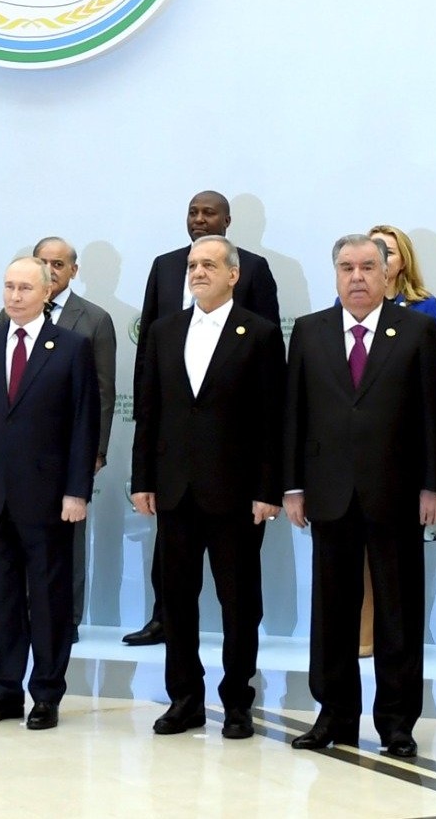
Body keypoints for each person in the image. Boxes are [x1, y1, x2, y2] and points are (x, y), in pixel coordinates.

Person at [282, 234, 436, 758]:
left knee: (398, 612)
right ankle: (334, 715)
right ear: (335, 274)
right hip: (328, 493)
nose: (357, 276)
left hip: (397, 494)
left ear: (385, 274)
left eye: (367, 267)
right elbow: (293, 414)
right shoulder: (310, 330)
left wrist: (433, 486)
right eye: (346, 267)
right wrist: (293, 486)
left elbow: (434, 414)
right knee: (332, 612)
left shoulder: (417, 330)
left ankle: (397, 723)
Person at [129, 236, 283, 740]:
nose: (197, 272)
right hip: (175, 490)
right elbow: (149, 410)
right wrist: (142, 479)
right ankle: (185, 699)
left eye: (209, 265)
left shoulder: (259, 333)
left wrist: (268, 489)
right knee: (176, 600)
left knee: (240, 603)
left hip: (237, 494)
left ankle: (237, 701)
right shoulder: (164, 330)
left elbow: (271, 420)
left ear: (233, 275)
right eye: (193, 265)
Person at [0, 257, 98, 730]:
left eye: (25, 288)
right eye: (9, 286)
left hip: (49, 496)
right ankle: (5, 690)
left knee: (50, 598)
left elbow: (84, 424)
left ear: (46, 292)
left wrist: (77, 492)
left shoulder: (71, 347)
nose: (14, 296)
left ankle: (47, 693)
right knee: (5, 597)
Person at [35, 236, 115, 638]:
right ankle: (26, 614)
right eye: (43, 262)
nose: (50, 270)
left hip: (71, 449)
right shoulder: (13, 314)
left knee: (68, 535)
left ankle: (66, 618)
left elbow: (103, 392)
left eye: (58, 264)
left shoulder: (95, 319)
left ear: (73, 271)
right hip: (21, 449)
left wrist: (95, 451)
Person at [368, 224, 436, 334]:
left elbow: (434, 345)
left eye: (388, 253)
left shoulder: (425, 305)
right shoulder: (349, 302)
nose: (379, 258)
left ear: (403, 262)